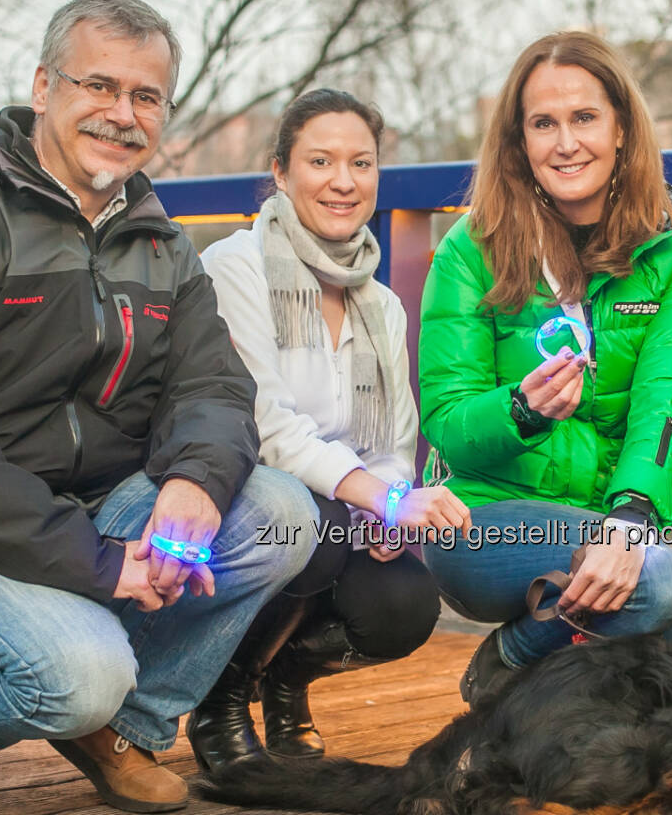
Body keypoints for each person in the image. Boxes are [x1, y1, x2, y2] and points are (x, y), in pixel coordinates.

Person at [0, 0, 319, 815]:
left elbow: (214, 385)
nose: (121, 114)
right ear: (43, 87)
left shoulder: (164, 244)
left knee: (282, 514)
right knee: (78, 672)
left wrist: (195, 483)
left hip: (90, 508)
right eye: (99, 85)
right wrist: (99, 565)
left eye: (145, 96)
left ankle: (117, 723)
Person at [418, 32, 672, 704]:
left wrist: (631, 521)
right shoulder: (471, 248)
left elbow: (666, 404)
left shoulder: (671, 252)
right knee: (661, 586)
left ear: (621, 131)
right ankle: (514, 652)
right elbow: (446, 422)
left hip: (608, 515)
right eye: (543, 124)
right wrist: (519, 410)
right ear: (519, 143)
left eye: (584, 118)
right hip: (484, 520)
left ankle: (541, 665)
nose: (565, 142)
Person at [189, 90, 469, 774]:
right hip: (246, 499)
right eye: (321, 161)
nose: (343, 181)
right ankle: (221, 696)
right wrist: (374, 495)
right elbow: (265, 424)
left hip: (342, 510)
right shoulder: (237, 265)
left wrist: (392, 503)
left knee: (405, 603)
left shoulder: (381, 301)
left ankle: (287, 676)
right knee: (304, 525)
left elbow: (396, 443)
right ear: (281, 173)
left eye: (361, 163)